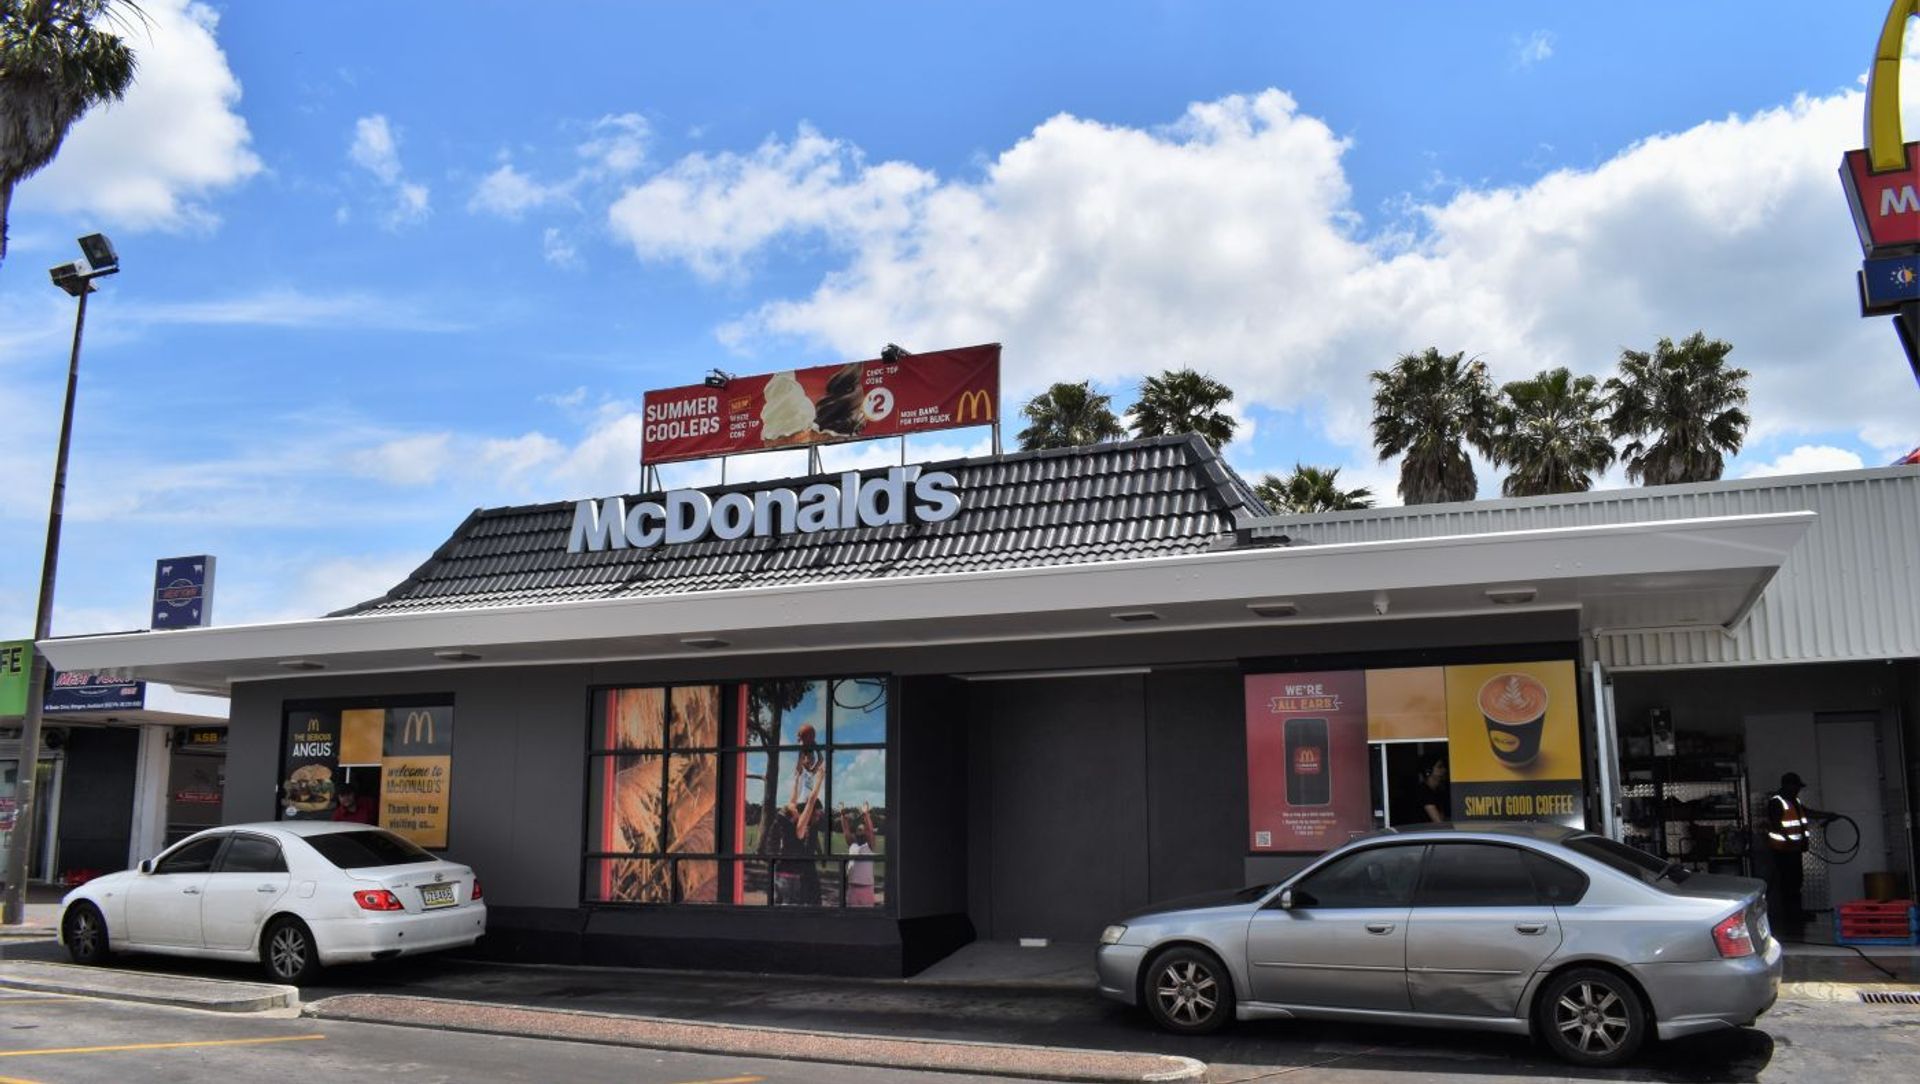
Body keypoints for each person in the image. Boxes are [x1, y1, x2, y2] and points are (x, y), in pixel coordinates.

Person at [1765, 772, 1834, 928]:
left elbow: (1807, 813)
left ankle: (1795, 913)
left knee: (1795, 882)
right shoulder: (1777, 802)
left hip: (1793, 851)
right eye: (1796, 786)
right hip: (1783, 851)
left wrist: (1828, 815)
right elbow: (1776, 825)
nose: (1798, 790)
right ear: (1787, 786)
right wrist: (1792, 842)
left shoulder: (1794, 801)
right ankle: (1791, 915)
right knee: (1788, 883)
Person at [840, 802, 878, 907]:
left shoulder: (869, 846)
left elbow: (870, 831)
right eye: (859, 829)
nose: (861, 831)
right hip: (853, 887)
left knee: (867, 915)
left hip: (867, 888)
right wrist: (842, 815)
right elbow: (846, 830)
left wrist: (866, 814)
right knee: (852, 914)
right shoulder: (852, 844)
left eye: (863, 829)